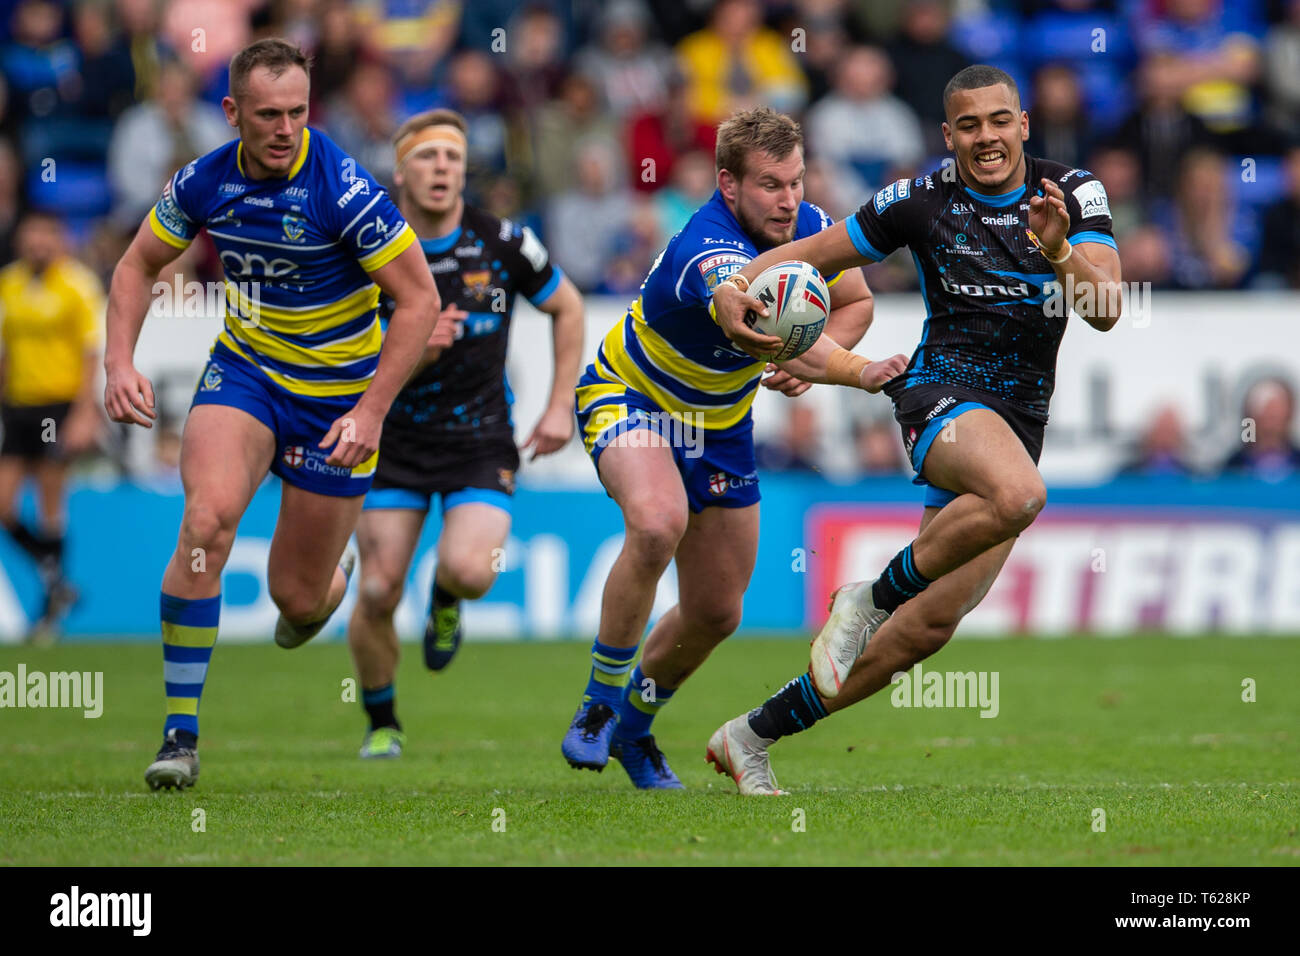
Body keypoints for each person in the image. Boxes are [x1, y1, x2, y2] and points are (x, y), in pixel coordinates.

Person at [708, 65, 1123, 794]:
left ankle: (752, 735)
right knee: (1021, 495)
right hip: (942, 396)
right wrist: (735, 287)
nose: (986, 137)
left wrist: (1058, 250)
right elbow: (812, 253)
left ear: (1023, 125)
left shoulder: (1073, 191)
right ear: (948, 135)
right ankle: (866, 599)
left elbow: (1108, 307)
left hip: (1021, 417)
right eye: (969, 125)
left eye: (999, 121)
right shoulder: (919, 200)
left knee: (924, 631)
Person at [102, 39, 440, 790]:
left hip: (336, 406)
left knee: (297, 603)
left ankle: (330, 581)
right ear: (232, 113)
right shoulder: (203, 180)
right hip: (248, 376)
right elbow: (135, 266)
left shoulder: (343, 189)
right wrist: (118, 361)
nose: (286, 128)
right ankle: (180, 735)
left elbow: (420, 301)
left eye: (297, 112)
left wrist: (373, 411)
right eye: (268, 115)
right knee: (206, 522)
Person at [559, 106, 906, 789]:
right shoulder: (703, 244)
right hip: (632, 398)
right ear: (728, 185)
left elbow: (857, 302)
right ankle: (599, 702)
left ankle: (632, 727)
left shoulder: (809, 228)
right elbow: (737, 309)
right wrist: (855, 370)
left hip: (720, 424)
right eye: (771, 185)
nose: (790, 200)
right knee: (658, 523)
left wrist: (824, 339)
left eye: (798, 182)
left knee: (717, 612)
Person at [346, 108, 584, 759]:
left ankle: (446, 600)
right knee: (375, 590)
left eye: (452, 157)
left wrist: (561, 404)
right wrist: (414, 351)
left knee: (471, 569)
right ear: (400, 170)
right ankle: (383, 722)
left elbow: (568, 305)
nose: (442, 168)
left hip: (480, 440)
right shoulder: (366, 247)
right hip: (391, 443)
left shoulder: (503, 242)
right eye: (427, 157)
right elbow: (340, 354)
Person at [0, 210, 105, 638]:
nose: (38, 243)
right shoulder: (9, 284)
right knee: (3, 504)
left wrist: (84, 412)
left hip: (57, 406)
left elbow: (90, 353)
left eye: (46, 235)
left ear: (59, 240)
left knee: (48, 501)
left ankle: (49, 616)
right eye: (32, 235)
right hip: (18, 405)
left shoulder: (77, 285)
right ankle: (58, 583)